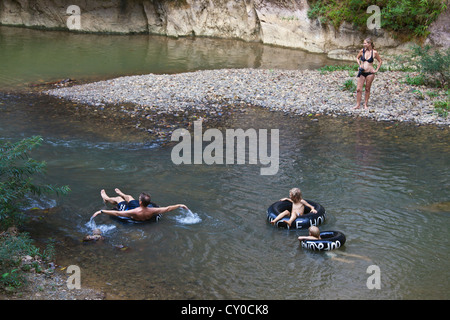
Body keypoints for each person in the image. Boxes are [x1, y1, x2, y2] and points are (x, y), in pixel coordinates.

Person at [91, 188, 188, 221]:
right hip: (145, 213)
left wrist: (101, 211)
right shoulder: (153, 210)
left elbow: (117, 213)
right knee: (129, 197)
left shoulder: (134, 211)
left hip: (136, 215)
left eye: (139, 199)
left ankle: (106, 198)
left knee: (118, 199)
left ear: (140, 202)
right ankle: (123, 194)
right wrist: (179, 205)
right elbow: (167, 209)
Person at [354, 38, 383, 110]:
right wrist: (359, 64)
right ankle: (358, 105)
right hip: (362, 72)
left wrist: (376, 70)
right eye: (363, 43)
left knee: (367, 89)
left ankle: (365, 104)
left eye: (365, 43)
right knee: (358, 89)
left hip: (370, 73)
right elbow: (357, 58)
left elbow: (380, 61)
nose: (364, 45)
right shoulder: (362, 51)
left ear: (369, 44)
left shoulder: (374, 52)